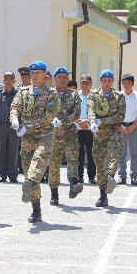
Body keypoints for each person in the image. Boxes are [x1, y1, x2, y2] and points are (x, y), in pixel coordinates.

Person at [10, 61, 59, 223]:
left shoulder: (52, 93)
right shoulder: (23, 92)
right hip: (27, 138)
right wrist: (15, 120)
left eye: (38, 73)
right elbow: (15, 108)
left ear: (45, 74)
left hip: (44, 135)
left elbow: (49, 116)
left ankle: (29, 182)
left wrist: (28, 125)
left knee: (37, 164)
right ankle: (36, 209)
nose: (35, 76)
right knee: (28, 171)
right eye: (32, 73)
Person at [87, 69, 125, 208]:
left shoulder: (119, 96)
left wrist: (103, 121)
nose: (107, 83)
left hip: (114, 131)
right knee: (100, 162)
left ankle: (110, 176)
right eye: (105, 80)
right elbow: (90, 109)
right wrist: (92, 122)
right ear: (101, 81)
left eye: (110, 80)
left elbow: (120, 116)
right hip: (99, 133)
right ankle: (103, 195)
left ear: (113, 81)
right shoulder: (94, 95)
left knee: (114, 153)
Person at [48, 67, 82, 206]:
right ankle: (54, 194)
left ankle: (73, 184)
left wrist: (63, 120)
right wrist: (52, 119)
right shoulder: (49, 94)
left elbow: (76, 114)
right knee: (54, 162)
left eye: (64, 77)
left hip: (69, 132)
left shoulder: (74, 95)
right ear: (55, 79)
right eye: (60, 77)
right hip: (54, 134)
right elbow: (44, 111)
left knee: (73, 159)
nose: (62, 79)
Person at [117, 74, 137, 186]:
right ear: (122, 84)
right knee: (121, 153)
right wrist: (121, 126)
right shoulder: (118, 96)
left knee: (134, 153)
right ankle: (122, 176)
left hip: (135, 127)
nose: (126, 85)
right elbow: (115, 113)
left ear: (133, 84)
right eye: (124, 82)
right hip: (121, 126)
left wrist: (133, 126)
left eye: (129, 82)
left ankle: (134, 176)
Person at [0, 71, 19, 183]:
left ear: (14, 81)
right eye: (6, 79)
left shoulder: (18, 93)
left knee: (13, 151)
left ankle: (13, 175)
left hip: (14, 126)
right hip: (1, 126)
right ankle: (1, 174)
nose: (8, 81)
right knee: (1, 150)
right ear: (3, 81)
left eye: (10, 79)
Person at [76, 75, 96, 184]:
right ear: (80, 83)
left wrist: (87, 122)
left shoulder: (95, 96)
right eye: (83, 82)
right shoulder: (75, 96)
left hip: (90, 128)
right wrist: (80, 122)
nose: (85, 84)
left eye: (87, 82)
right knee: (79, 154)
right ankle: (79, 176)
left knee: (91, 154)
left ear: (91, 84)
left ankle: (92, 176)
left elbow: (97, 112)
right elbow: (72, 112)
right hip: (78, 128)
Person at [16, 66, 31, 175]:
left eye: (26, 76)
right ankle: (19, 166)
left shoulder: (33, 89)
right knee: (17, 146)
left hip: (30, 122)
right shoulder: (17, 89)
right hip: (18, 121)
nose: (24, 78)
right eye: (22, 76)